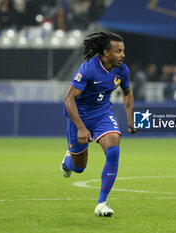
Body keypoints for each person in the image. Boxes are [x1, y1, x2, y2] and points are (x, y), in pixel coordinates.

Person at [61, 31, 136, 217]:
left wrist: (130, 118)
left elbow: (127, 92)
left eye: (123, 50)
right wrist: (80, 127)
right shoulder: (88, 69)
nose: (123, 55)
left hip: (102, 114)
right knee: (79, 167)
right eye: (118, 51)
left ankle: (102, 203)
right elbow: (69, 98)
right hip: (80, 116)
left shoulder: (122, 70)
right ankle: (67, 162)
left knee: (113, 150)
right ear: (105, 53)